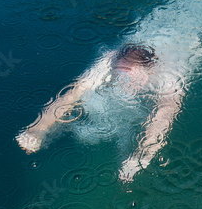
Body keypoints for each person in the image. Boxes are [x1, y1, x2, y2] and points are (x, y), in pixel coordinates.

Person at [16, 45, 184, 182]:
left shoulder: (169, 79)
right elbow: (75, 91)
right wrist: (38, 129)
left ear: (150, 73)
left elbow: (164, 116)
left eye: (128, 79)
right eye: (117, 76)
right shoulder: (111, 60)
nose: (120, 84)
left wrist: (142, 156)